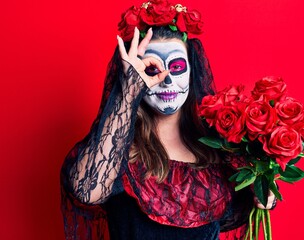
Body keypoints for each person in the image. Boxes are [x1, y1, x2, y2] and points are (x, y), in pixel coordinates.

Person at [60, 1, 276, 239]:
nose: (167, 80)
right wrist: (128, 91)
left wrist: (263, 192)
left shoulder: (217, 148)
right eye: (152, 69)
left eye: (177, 66)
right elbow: (87, 192)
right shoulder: (116, 150)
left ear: (192, 71)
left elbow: (242, 212)